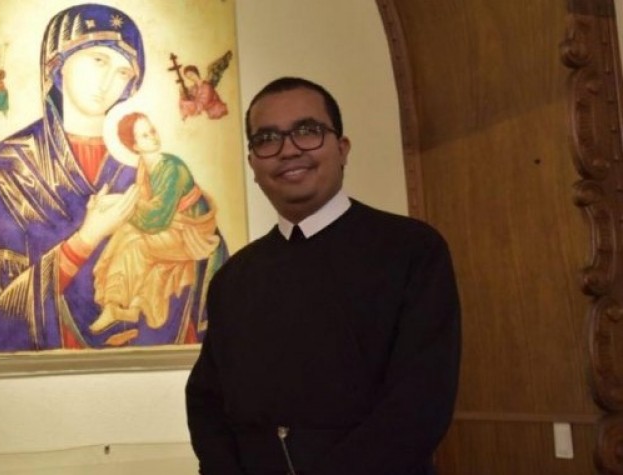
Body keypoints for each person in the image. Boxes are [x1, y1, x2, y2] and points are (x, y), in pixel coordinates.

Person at [185, 77, 461, 474]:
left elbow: (420, 403)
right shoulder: (232, 279)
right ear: (253, 164)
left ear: (342, 149)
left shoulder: (411, 250)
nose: (288, 150)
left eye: (307, 131)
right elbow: (207, 403)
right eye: (267, 139)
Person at [0, 4, 219, 351]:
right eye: (98, 60)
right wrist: (85, 240)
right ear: (57, 64)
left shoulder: (151, 167)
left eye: (123, 72)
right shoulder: (5, 175)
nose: (108, 81)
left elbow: (211, 279)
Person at [91, 112, 227, 339]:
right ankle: (119, 307)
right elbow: (149, 211)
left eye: (152, 130)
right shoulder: (145, 168)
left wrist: (119, 205)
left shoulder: (171, 167)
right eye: (145, 135)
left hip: (191, 232)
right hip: (173, 228)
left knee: (135, 243)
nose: (153, 136)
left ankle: (114, 304)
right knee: (127, 234)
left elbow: (156, 218)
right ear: (135, 146)